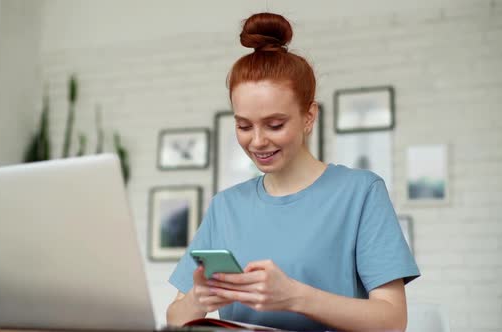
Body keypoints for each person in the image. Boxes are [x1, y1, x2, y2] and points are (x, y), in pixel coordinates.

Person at [166, 12, 420, 331]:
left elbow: (392, 320)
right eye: (244, 125)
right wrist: (198, 300)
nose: (257, 141)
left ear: (309, 116)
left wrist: (295, 297)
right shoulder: (225, 207)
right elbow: (175, 317)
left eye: (275, 124)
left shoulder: (360, 192)